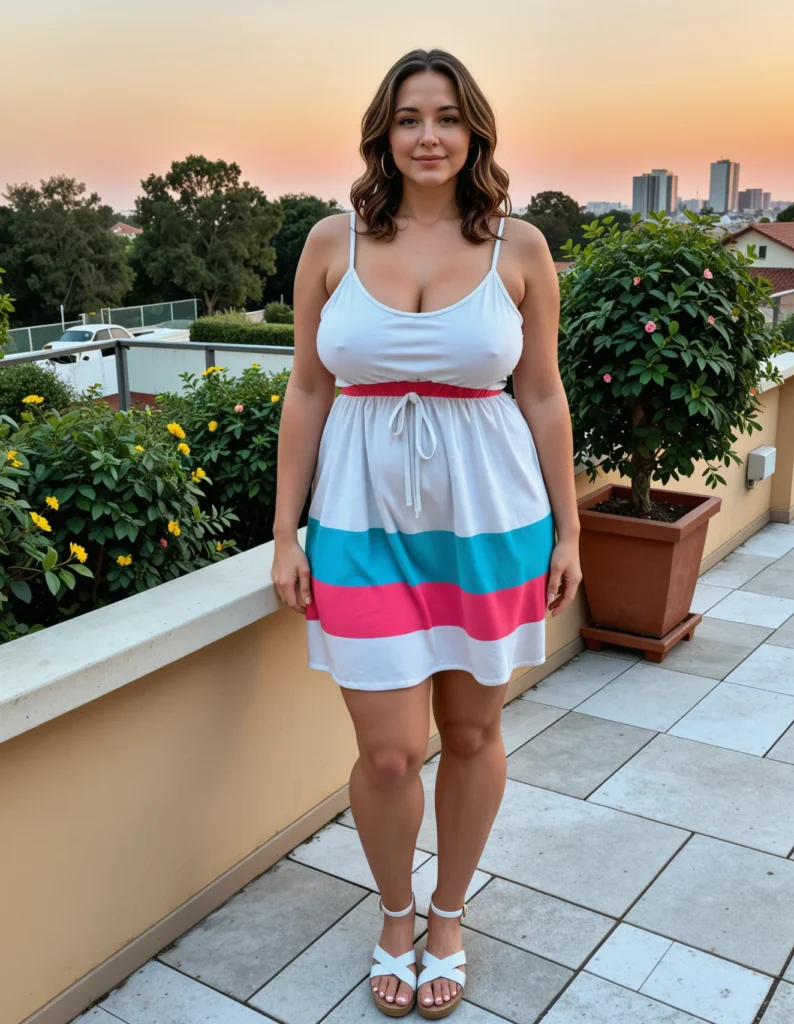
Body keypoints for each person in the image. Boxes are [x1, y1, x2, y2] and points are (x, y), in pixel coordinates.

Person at [271, 47, 582, 1020]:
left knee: (474, 729)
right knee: (391, 750)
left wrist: (569, 530)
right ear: (383, 134)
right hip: (359, 524)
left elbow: (540, 394)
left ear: (473, 130)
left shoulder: (519, 249)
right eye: (409, 117)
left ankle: (447, 916)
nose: (428, 135)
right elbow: (307, 388)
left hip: (489, 522)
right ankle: (394, 913)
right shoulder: (331, 242)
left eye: (446, 116)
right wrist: (285, 531)